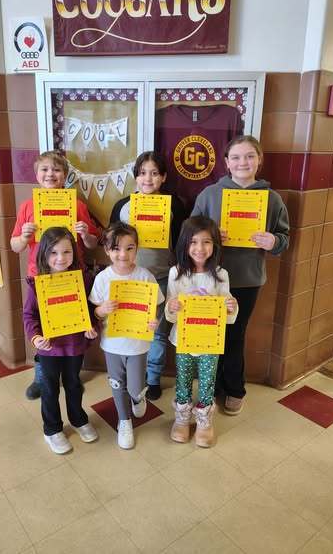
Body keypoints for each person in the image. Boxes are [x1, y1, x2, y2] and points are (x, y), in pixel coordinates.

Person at [191, 135, 289, 415]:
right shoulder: (210, 194)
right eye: (236, 157)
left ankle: (234, 388)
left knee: (235, 334)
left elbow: (284, 238)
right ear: (226, 162)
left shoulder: (272, 199)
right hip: (209, 277)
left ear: (259, 160)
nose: (242, 162)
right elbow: (191, 232)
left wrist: (273, 241)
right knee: (209, 332)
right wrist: (209, 234)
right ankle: (212, 386)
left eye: (249, 156)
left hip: (246, 279)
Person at [10, 150, 100, 400]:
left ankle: (72, 375)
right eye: (45, 170)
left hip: (72, 276)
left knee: (70, 324)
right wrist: (24, 237)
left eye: (56, 170)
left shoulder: (77, 206)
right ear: (37, 174)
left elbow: (93, 244)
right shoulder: (27, 207)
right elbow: (14, 246)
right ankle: (42, 375)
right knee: (44, 327)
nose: (50, 174)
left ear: (65, 175)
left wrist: (85, 235)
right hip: (39, 277)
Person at [110, 151, 187, 400]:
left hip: (163, 277)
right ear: (136, 176)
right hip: (129, 280)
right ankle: (132, 375)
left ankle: (152, 378)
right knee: (129, 329)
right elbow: (111, 243)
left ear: (163, 177)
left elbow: (181, 243)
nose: (148, 179)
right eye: (142, 173)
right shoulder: (123, 206)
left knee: (157, 333)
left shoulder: (175, 205)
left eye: (154, 173)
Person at [22, 226, 98, 454]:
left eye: (66, 252)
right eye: (53, 253)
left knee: (74, 383)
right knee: (49, 387)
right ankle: (52, 429)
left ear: (74, 253)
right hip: (50, 348)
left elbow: (90, 308)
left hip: (74, 344)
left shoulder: (82, 280)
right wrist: (35, 338)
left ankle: (78, 419)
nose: (60, 258)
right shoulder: (37, 284)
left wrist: (92, 327)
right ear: (44, 255)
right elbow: (29, 315)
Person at [89, 222, 164, 449]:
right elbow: (95, 311)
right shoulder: (103, 278)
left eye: (129, 248)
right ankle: (124, 421)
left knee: (134, 386)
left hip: (138, 345)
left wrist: (155, 321)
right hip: (112, 344)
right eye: (116, 248)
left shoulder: (145, 276)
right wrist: (103, 310)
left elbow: (157, 305)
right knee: (116, 383)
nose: (123, 254)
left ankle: (138, 397)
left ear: (137, 248)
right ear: (107, 250)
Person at [165, 217, 238, 447]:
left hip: (210, 341)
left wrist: (231, 306)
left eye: (206, 242)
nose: (199, 248)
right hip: (184, 339)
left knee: (207, 381)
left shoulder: (221, 274)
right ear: (184, 244)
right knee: (183, 379)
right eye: (193, 242)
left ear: (215, 245)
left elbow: (227, 312)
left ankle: (205, 421)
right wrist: (172, 307)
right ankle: (182, 418)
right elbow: (169, 312)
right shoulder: (175, 273)